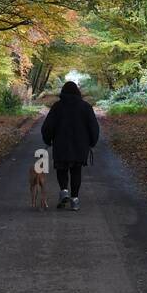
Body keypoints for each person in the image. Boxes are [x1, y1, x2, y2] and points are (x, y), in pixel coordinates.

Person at [40, 81, 100, 210]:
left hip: (61, 145)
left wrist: (47, 140)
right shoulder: (86, 107)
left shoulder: (57, 107)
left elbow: (47, 126)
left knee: (61, 169)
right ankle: (75, 201)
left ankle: (64, 192)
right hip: (80, 146)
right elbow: (94, 127)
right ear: (78, 92)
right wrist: (92, 142)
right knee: (76, 171)